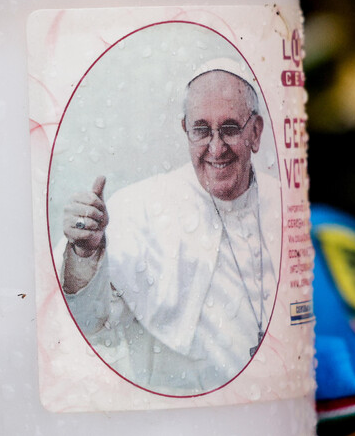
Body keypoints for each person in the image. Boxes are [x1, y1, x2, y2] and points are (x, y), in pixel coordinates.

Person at [58, 61, 281, 395]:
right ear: (185, 130)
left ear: (256, 132)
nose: (216, 148)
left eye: (231, 128)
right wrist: (84, 253)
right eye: (202, 130)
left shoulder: (282, 202)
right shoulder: (140, 208)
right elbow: (91, 325)